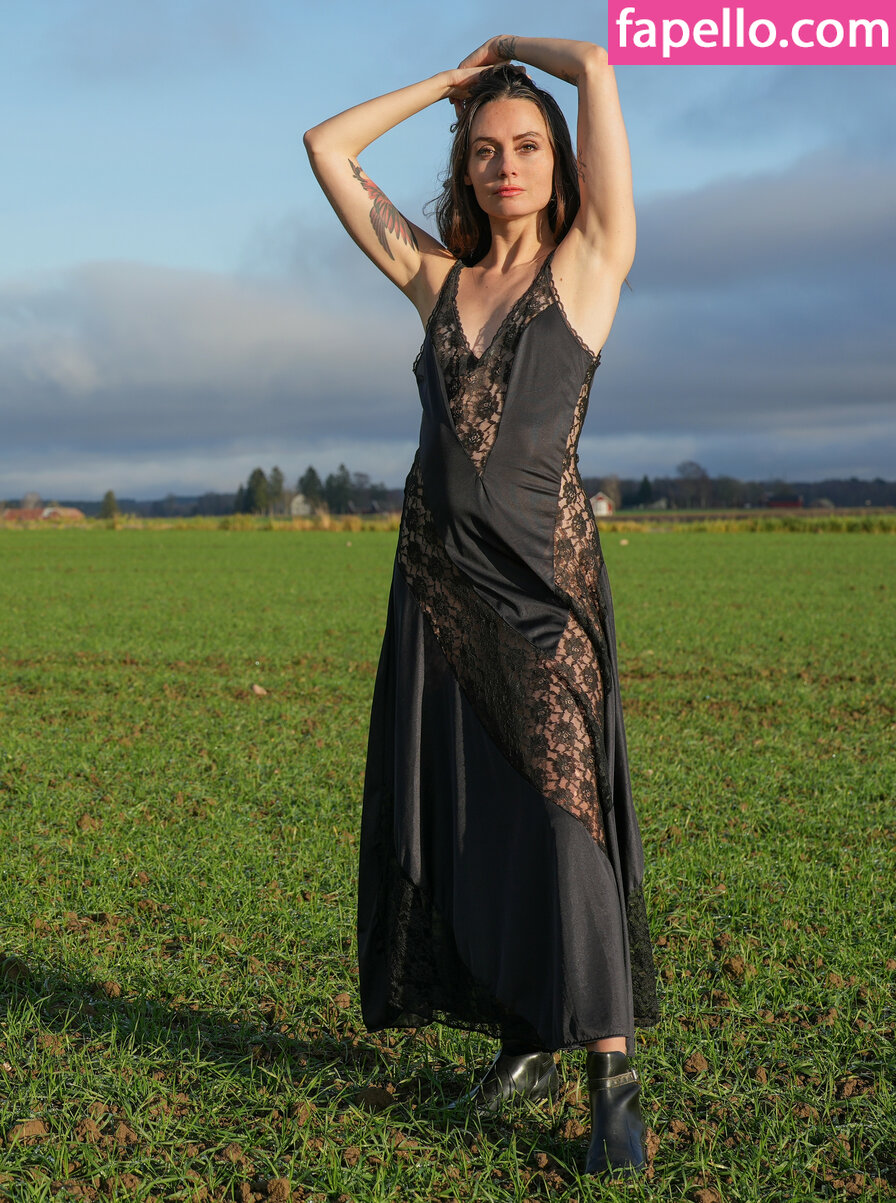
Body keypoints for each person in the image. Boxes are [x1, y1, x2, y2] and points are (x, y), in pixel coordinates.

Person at [303, 36, 660, 1176]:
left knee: (565, 824)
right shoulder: (436, 280)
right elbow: (326, 147)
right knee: (480, 818)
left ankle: (611, 1079)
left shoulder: (591, 261)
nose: (507, 166)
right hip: (440, 586)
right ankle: (527, 1037)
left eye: (527, 147)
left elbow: (596, 65)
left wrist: (515, 55)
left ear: (559, 163)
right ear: (464, 167)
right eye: (486, 150)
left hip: (544, 594)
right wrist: (448, 87)